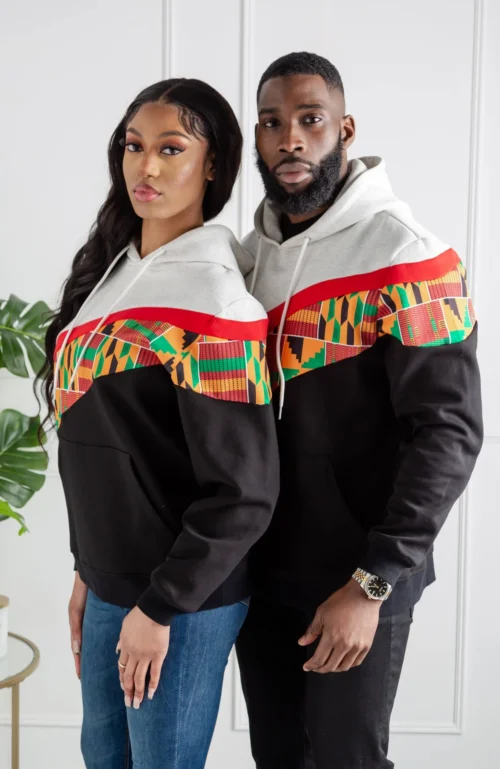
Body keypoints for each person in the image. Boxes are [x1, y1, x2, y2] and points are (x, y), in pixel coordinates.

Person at [236, 52, 483, 769]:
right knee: (278, 758)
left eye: (310, 119)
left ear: (344, 129)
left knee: (347, 760)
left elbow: (449, 432)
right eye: (272, 123)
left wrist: (374, 582)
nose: (290, 139)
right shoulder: (247, 258)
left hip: (360, 575)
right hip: (264, 572)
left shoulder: (410, 255)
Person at [40, 78, 279, 769]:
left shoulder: (217, 302)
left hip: (182, 599)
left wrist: (160, 607)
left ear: (213, 165)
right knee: (103, 757)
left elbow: (244, 493)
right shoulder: (110, 278)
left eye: (171, 149)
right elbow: (103, 450)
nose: (145, 166)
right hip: (111, 583)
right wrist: (88, 569)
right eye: (133, 146)